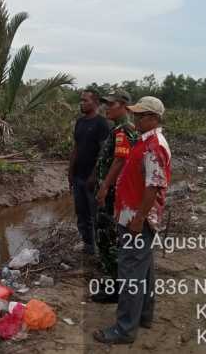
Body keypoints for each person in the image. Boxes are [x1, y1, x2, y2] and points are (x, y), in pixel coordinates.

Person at [93, 96, 171, 345]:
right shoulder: (145, 141)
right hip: (132, 216)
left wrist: (137, 220)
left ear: (154, 118)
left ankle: (124, 329)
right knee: (144, 271)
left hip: (136, 221)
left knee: (130, 275)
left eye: (141, 115)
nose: (135, 118)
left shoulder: (154, 146)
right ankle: (144, 316)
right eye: (135, 114)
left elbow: (154, 187)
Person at [91, 90, 136, 302]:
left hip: (112, 195)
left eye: (111, 104)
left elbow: (120, 160)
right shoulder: (118, 129)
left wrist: (104, 187)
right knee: (107, 236)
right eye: (106, 104)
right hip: (111, 192)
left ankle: (115, 288)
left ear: (124, 106)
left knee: (108, 238)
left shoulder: (124, 130)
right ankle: (113, 281)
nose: (106, 108)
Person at [68, 89, 109, 254]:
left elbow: (103, 153)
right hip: (78, 176)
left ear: (95, 103)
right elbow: (76, 148)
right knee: (81, 213)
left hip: (92, 179)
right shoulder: (80, 122)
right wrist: (70, 172)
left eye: (85, 100)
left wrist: (93, 176)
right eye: (81, 100)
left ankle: (100, 249)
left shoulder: (101, 124)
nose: (82, 103)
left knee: (95, 215)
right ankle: (88, 245)